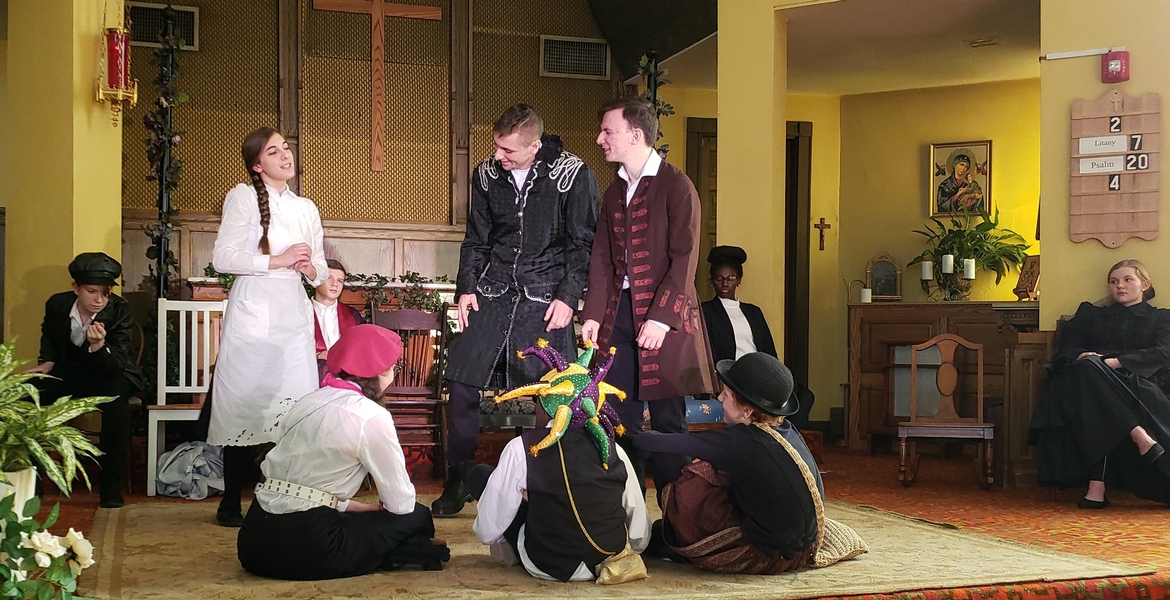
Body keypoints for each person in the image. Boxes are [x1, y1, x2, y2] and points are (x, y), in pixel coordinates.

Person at [438, 104, 600, 516]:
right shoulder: (486, 175)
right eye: (496, 146)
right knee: (461, 380)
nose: (498, 156)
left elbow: (582, 244)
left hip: (546, 298)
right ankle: (458, 479)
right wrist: (466, 288)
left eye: (508, 150)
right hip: (493, 293)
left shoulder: (572, 175)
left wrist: (569, 297)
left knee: (551, 391)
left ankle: (542, 481)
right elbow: (476, 238)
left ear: (535, 145)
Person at [581, 96, 716, 500]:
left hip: (665, 318)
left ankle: (677, 517)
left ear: (635, 134)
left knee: (668, 423)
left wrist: (660, 318)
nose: (600, 138)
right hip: (618, 316)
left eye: (608, 131)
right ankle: (629, 513)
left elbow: (685, 258)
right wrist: (593, 313)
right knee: (618, 418)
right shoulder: (613, 191)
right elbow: (602, 258)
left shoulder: (677, 186)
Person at [237, 324, 450, 579]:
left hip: (253, 541)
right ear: (381, 370)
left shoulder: (306, 401)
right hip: (312, 547)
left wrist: (359, 508)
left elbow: (301, 485)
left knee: (357, 520)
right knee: (417, 516)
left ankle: (388, 553)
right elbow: (400, 503)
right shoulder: (370, 415)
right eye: (395, 367)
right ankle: (399, 554)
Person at [208, 127, 328, 527]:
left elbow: (320, 268)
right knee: (244, 401)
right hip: (254, 309)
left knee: (292, 404)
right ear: (257, 165)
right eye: (273, 151)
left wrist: (308, 268)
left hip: (292, 311)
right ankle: (230, 499)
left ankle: (279, 498)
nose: (285, 155)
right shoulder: (243, 197)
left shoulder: (305, 207)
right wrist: (278, 260)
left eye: (286, 148)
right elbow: (224, 257)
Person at [468, 340, 650, 583]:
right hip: (609, 558)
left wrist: (498, 540)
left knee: (480, 476)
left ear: (548, 405)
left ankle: (513, 552)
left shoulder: (521, 448)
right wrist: (634, 547)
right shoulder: (613, 448)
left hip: (547, 564)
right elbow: (638, 522)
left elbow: (489, 529)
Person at [632, 352, 824, 574]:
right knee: (719, 469)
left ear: (747, 410)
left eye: (726, 394)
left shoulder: (743, 442)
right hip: (802, 551)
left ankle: (673, 534)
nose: (720, 399)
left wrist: (626, 436)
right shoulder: (787, 430)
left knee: (692, 479)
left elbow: (657, 443)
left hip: (764, 555)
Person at [1029, 259, 1170, 509]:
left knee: (1094, 394)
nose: (1119, 286)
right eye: (1114, 281)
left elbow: (1163, 352)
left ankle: (1096, 488)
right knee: (1088, 370)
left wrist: (1118, 362)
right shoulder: (1092, 315)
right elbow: (1068, 349)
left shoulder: (1160, 318)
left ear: (1145, 285)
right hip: (1090, 377)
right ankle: (1139, 435)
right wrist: (1085, 356)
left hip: (1137, 381)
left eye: (1128, 280)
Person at [30, 252, 143, 508]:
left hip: (113, 372)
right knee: (21, 393)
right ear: (76, 288)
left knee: (116, 403)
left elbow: (116, 365)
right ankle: (31, 482)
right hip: (72, 370)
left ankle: (110, 487)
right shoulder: (58, 304)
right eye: (92, 291)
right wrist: (47, 361)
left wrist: (98, 346)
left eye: (105, 293)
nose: (99, 300)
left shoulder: (120, 309)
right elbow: (49, 334)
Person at [701, 245, 814, 429]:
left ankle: (780, 436)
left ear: (739, 280)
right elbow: (708, 351)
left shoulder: (753, 312)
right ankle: (771, 434)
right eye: (719, 278)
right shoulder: (706, 311)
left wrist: (776, 375)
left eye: (730, 278)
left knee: (805, 396)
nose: (725, 283)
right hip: (734, 374)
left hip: (759, 371)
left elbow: (768, 349)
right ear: (712, 281)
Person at [312, 258, 366, 383]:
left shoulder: (352, 315)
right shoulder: (302, 313)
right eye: (329, 278)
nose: (335, 284)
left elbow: (362, 347)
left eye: (340, 281)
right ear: (316, 281)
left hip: (347, 378)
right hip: (311, 376)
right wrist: (317, 356)